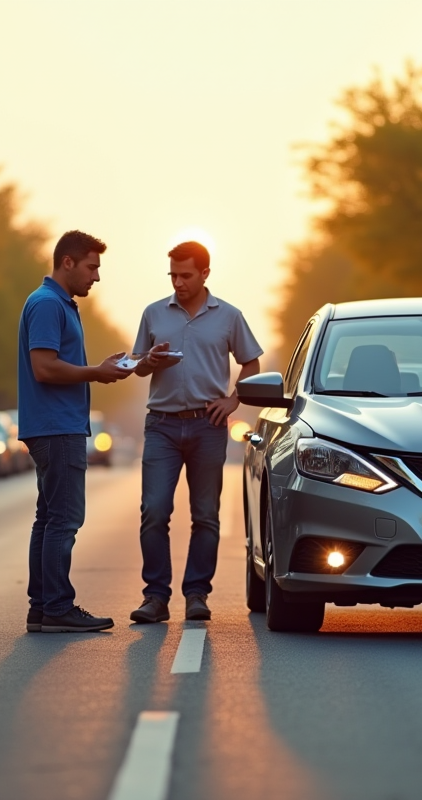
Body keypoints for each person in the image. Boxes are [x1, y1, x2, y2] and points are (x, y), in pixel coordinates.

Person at [129, 241, 263, 623]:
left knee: (206, 514)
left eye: (185, 275)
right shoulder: (153, 313)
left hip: (209, 424)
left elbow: (251, 362)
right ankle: (155, 597)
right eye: (172, 274)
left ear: (205, 273)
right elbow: (136, 364)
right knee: (154, 510)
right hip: (162, 425)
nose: (178, 282)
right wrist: (147, 361)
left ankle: (197, 593)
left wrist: (234, 400)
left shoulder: (229, 316)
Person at [19, 230, 133, 633]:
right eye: (91, 267)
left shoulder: (56, 303)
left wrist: (104, 368)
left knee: (48, 519)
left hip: (53, 426)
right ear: (67, 262)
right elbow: (44, 367)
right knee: (64, 520)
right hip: (57, 428)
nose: (96, 277)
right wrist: (96, 374)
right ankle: (57, 607)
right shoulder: (49, 304)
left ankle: (42, 606)